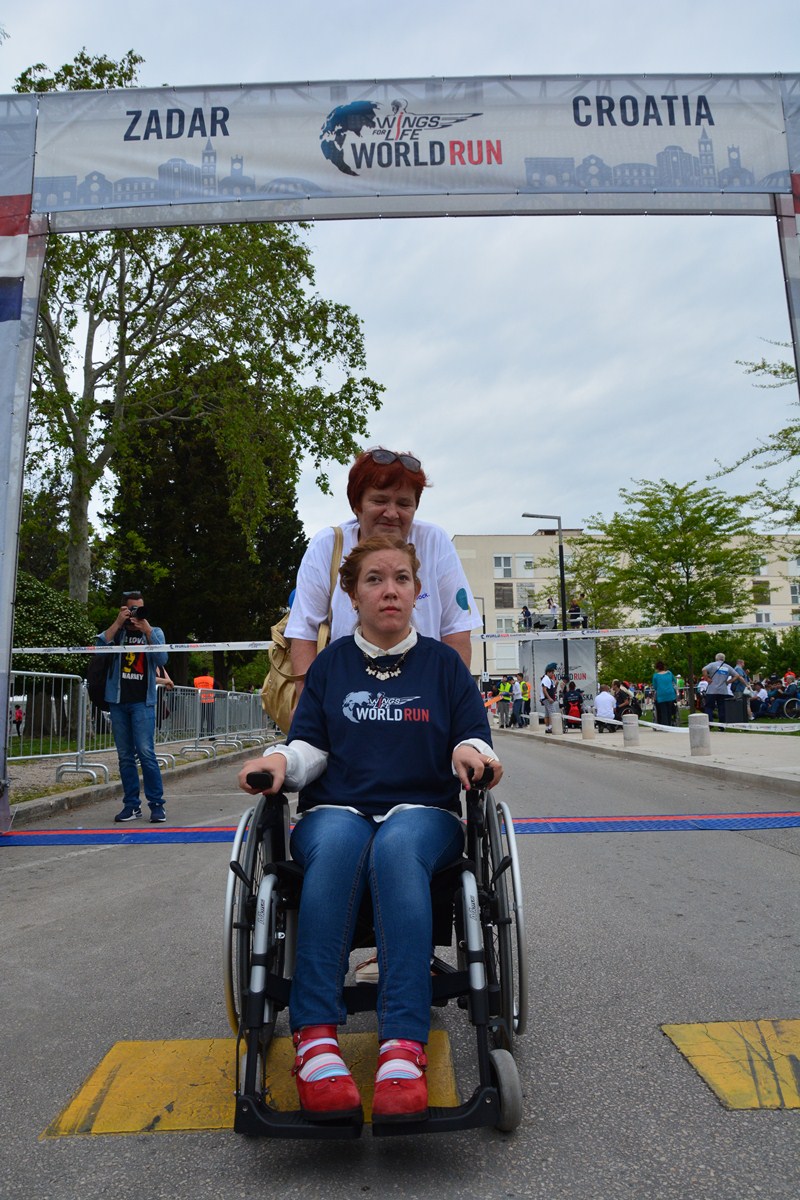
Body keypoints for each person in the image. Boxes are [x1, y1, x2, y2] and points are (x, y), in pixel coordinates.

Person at [236, 535, 502, 1122]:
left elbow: (472, 734)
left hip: (422, 813)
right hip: (339, 809)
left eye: (402, 578)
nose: (390, 589)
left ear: (417, 590)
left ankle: (402, 1046)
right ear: (352, 596)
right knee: (336, 846)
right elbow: (308, 747)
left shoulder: (443, 666)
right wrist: (280, 763)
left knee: (397, 846)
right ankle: (316, 1042)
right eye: (375, 579)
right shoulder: (330, 666)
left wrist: (472, 752)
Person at [285, 448, 478, 705]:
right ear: (357, 505)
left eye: (404, 503)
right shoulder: (327, 546)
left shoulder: (435, 542)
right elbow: (303, 633)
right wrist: (311, 707)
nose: (392, 513)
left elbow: (456, 631)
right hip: (347, 699)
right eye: (379, 500)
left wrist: (448, 706)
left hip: (422, 699)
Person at [97, 590, 169, 824]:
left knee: (146, 753)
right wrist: (118, 623)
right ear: (124, 610)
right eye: (132, 609)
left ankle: (157, 805)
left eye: (140, 608)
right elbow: (99, 647)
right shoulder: (117, 632)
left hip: (142, 702)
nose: (136, 613)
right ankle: (131, 805)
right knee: (125, 756)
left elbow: (162, 660)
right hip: (117, 700)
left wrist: (147, 631)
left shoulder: (154, 632)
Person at [702, 652, 745, 726]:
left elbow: (704, 669)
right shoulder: (727, 667)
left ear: (716, 658)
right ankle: (722, 725)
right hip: (723, 690)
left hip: (712, 690)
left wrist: (707, 678)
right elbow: (737, 675)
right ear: (724, 659)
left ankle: (710, 723)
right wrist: (728, 682)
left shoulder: (712, 665)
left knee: (709, 707)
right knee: (722, 708)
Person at [193, 666, 218, 737]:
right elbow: (216, 688)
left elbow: (194, 689)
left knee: (201, 718)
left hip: (200, 701)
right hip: (210, 700)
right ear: (208, 673)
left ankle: (200, 735)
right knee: (210, 718)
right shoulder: (211, 679)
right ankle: (211, 735)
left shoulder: (196, 680)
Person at [651, 661, 678, 727]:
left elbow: (655, 687)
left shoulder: (655, 676)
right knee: (669, 710)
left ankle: (665, 725)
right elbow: (674, 681)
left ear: (657, 668)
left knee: (663, 711)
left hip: (661, 695)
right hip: (670, 694)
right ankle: (670, 723)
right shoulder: (669, 673)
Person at [539, 663, 559, 733]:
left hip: (547, 698)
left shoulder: (550, 680)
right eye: (552, 672)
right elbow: (544, 689)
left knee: (547, 713)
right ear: (548, 672)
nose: (553, 674)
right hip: (547, 699)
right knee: (552, 713)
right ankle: (550, 727)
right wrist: (549, 698)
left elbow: (553, 691)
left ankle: (548, 727)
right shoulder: (546, 679)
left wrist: (556, 685)